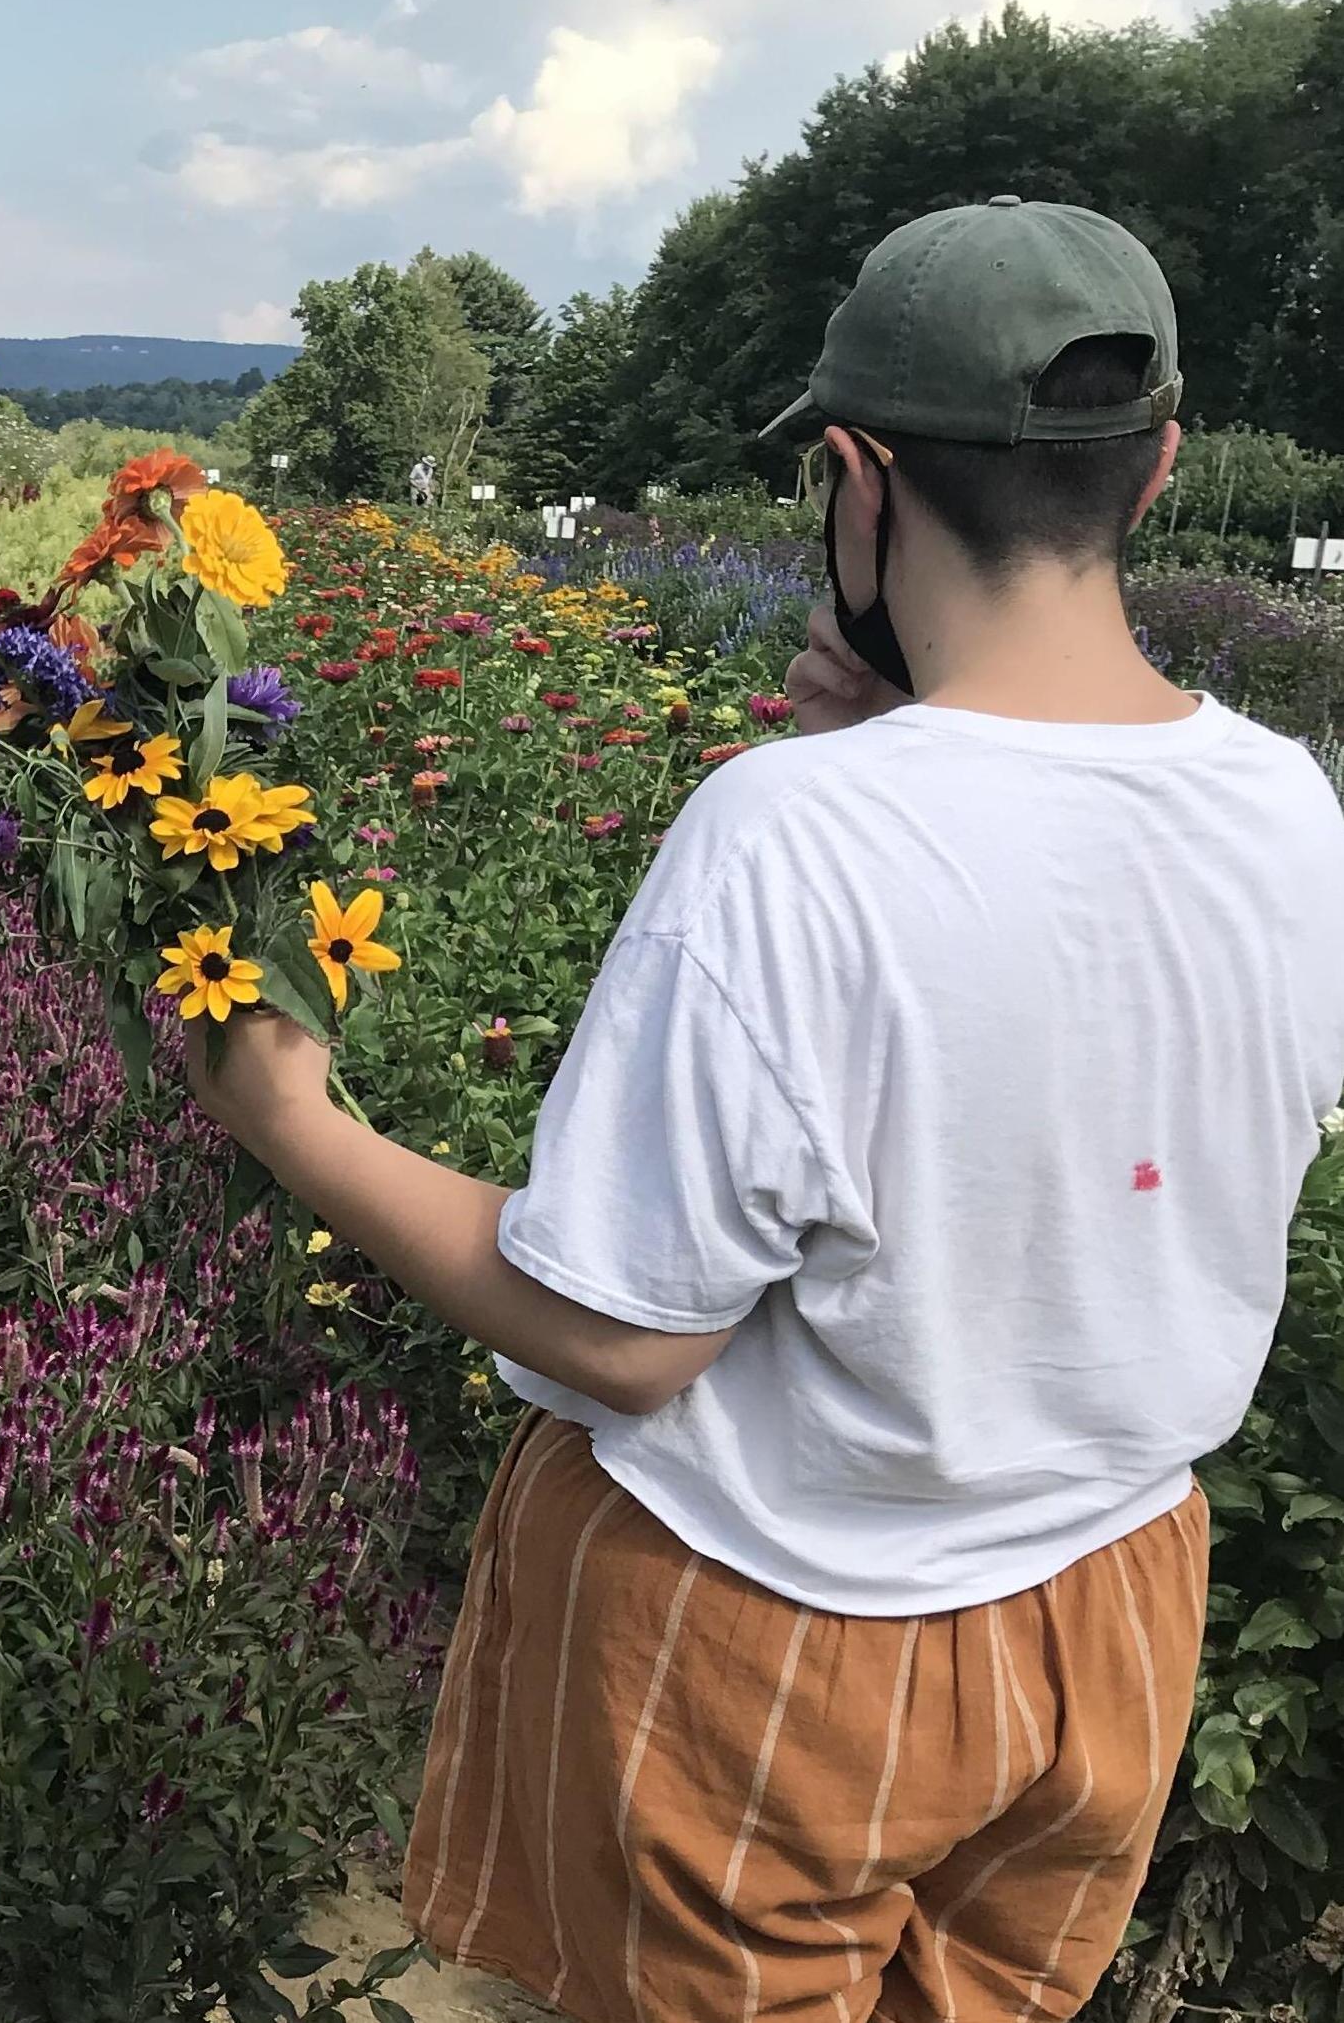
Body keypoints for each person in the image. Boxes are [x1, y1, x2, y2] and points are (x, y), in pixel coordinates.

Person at [187, 197, 1344, 2023]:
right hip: (1116, 1619)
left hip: (792, 1640)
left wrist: (291, 1126)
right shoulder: (1292, 804)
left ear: (857, 475)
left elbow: (626, 1335)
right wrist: (904, 737)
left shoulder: (790, 841)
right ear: (1164, 466)